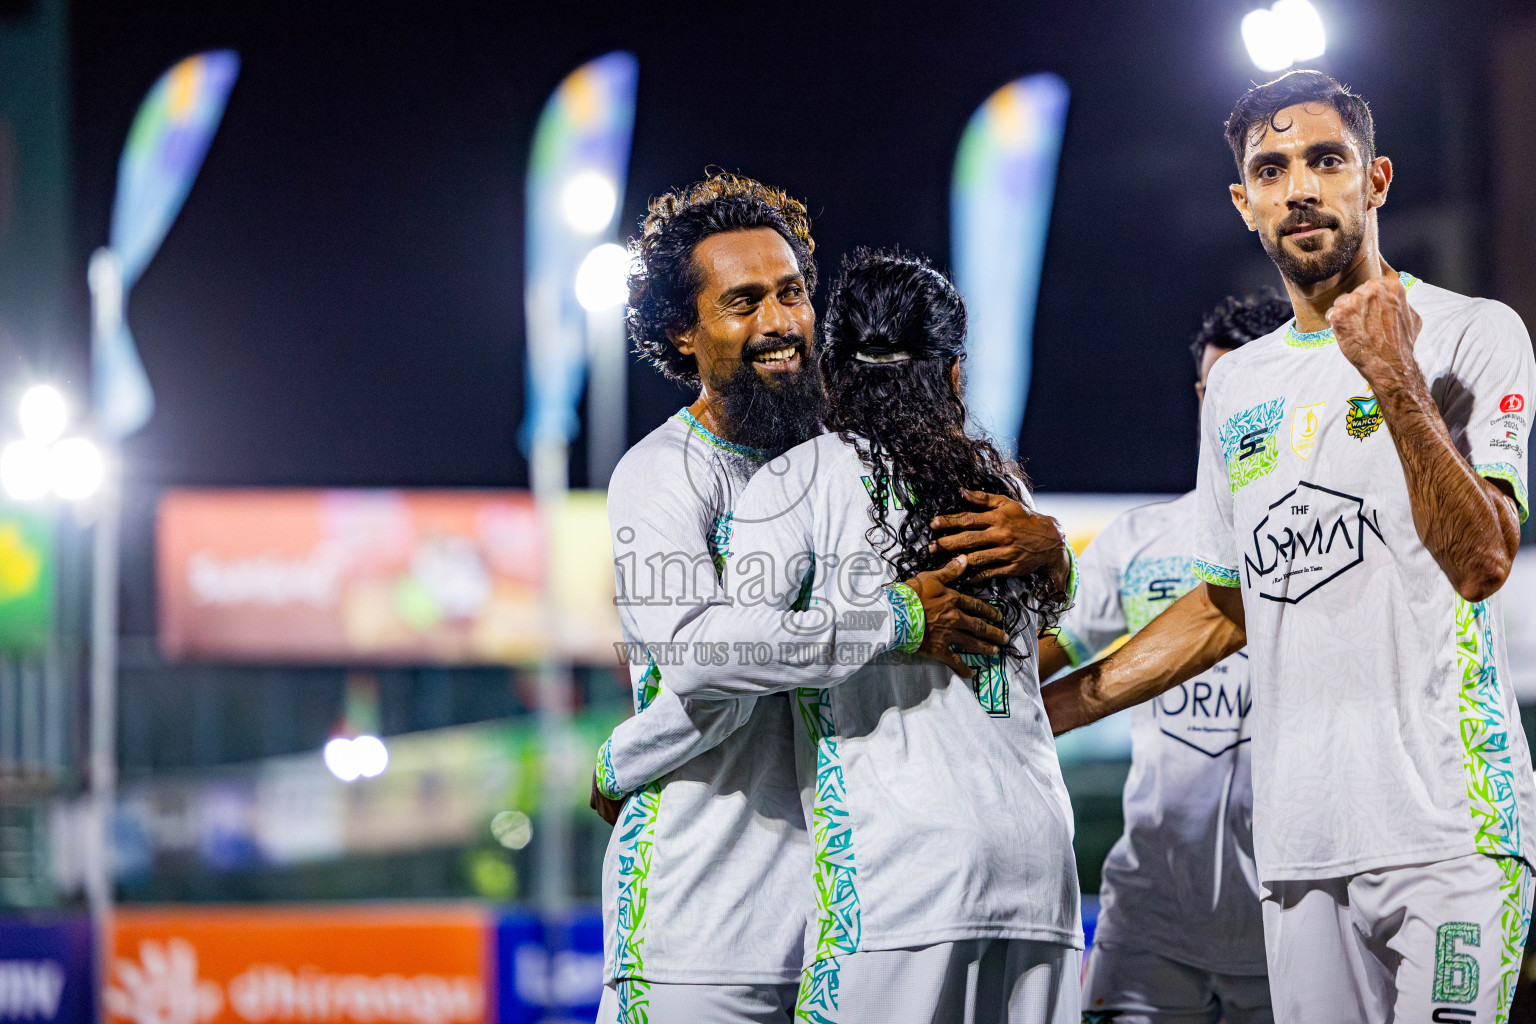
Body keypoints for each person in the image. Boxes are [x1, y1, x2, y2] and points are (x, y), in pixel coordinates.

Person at [1043, 70, 1536, 1024]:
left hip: (1451, 828)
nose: (1300, 187)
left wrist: (1392, 372)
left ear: (1376, 180)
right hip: (1301, 844)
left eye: (1325, 160)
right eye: (1271, 169)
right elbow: (1227, 604)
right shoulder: (1238, 389)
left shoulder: (1475, 332)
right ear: (1245, 203)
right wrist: (1052, 708)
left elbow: (1482, 561)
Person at [589, 175, 1003, 1024]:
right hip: (699, 924)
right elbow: (707, 662)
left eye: (791, 294)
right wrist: (899, 617)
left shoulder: (849, 458)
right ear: (682, 330)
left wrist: (1048, 549)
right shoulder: (660, 475)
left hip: (853, 916)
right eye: (743, 302)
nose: (780, 324)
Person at [662, 250, 1083, 1023]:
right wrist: (1057, 552)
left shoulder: (799, 479)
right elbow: (1056, 628)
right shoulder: (1008, 494)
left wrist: (894, 618)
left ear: (833, 372)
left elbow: (709, 656)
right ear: (954, 375)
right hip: (1041, 870)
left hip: (897, 878)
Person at [1031, 294, 1290, 1024]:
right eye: (1215, 390)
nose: (1226, 412)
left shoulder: (1333, 540)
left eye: (1250, 389)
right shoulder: (1142, 543)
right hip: (1150, 922)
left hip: (1292, 917)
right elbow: (1035, 660)